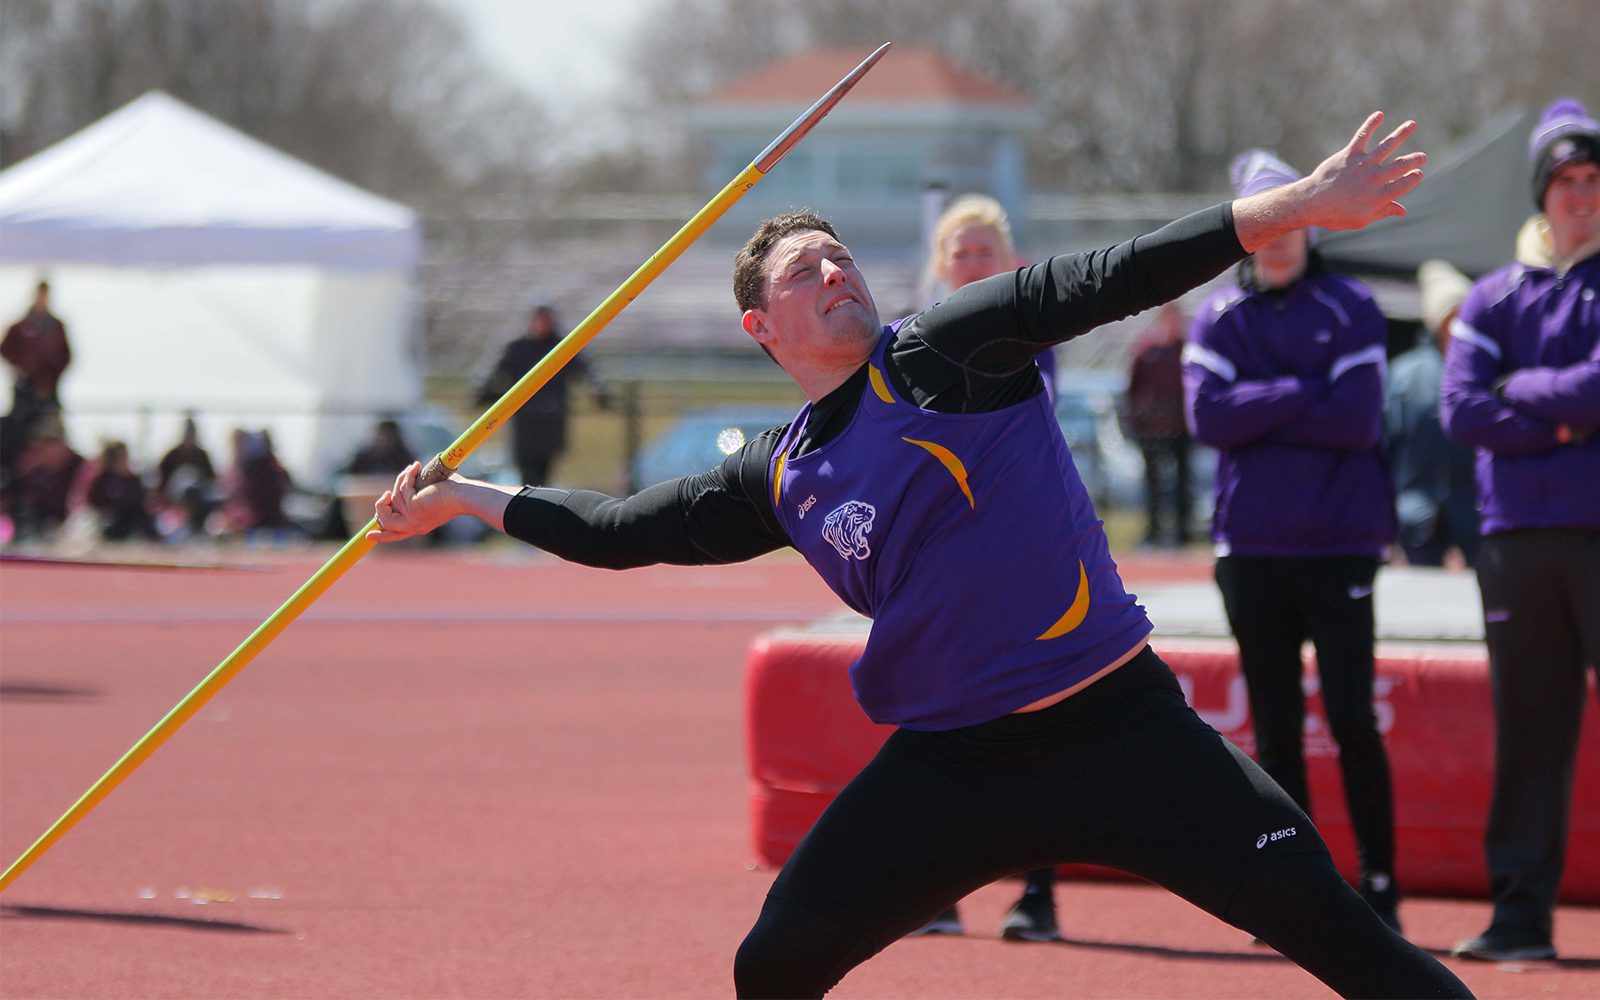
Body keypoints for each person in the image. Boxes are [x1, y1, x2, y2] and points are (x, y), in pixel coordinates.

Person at [370, 113, 1468, 998]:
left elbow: (1115, 274)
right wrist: (464, 496)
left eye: (840, 255)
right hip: (958, 765)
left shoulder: (947, 352)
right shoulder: (779, 472)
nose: (835, 271)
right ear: (761, 325)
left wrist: (1303, 203)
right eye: (806, 270)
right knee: (774, 963)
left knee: (1358, 951)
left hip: (1125, 730)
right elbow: (620, 532)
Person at [1183, 148, 1404, 934]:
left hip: (1340, 546)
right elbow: (1207, 419)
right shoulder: (1216, 316)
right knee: (1275, 732)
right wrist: (1309, 389)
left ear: (1312, 222)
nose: (1277, 235)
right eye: (1262, 218)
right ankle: (1300, 896)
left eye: (1291, 216)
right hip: (1251, 550)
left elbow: (1357, 419)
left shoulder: (1352, 305)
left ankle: (1380, 888)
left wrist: (1260, 406)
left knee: (1350, 718)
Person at [1440, 97, 1600, 964]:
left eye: (1593, 180)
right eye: (1566, 182)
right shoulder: (1494, 295)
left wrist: (1522, 394)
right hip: (1516, 543)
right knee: (1530, 734)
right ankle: (1519, 920)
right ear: (1541, 194)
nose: (1581, 195)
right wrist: (1568, 414)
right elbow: (1460, 408)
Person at [910, 192, 1061, 943]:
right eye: (960, 253)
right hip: (944, 562)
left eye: (985, 252)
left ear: (1012, 263)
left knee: (1037, 717)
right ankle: (938, 890)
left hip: (1025, 554)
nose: (972, 264)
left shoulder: (1035, 334)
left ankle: (1038, 895)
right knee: (941, 716)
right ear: (941, 266)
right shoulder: (910, 344)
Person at [1386, 260, 1480, 567]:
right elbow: (1386, 447)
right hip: (1413, 522)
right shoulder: (1404, 375)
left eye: (1464, 315)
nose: (1457, 326)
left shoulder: (1487, 370)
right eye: (1450, 316)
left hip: (1473, 521)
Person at [477, 304, 609, 486]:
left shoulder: (563, 346)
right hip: (525, 422)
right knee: (527, 475)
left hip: (551, 420)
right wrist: (484, 391)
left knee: (544, 476)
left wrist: (599, 390)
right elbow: (492, 373)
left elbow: (586, 370)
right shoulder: (518, 347)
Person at [1126, 302, 1193, 548]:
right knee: (1152, 481)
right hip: (1152, 427)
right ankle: (1153, 530)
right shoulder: (1147, 352)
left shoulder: (1187, 350)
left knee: (1183, 480)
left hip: (1181, 425)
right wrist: (1135, 420)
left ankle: (1182, 531)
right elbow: (1133, 389)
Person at [1, 280, 73, 476]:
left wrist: (50, 376)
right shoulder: (22, 327)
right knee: (18, 437)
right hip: (25, 392)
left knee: (52, 436)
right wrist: (24, 369)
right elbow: (6, 350)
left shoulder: (56, 327)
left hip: (48, 392)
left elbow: (65, 356)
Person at [82, 440, 160, 542]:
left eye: (123, 456)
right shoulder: (101, 480)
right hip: (106, 523)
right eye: (117, 457)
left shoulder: (133, 481)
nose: (121, 461)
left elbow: (141, 507)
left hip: (130, 525)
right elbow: (92, 501)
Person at [155, 415, 218, 540]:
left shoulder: (202, 456)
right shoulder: (172, 456)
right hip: (174, 506)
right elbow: (161, 483)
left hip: (198, 506)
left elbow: (211, 481)